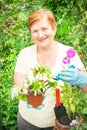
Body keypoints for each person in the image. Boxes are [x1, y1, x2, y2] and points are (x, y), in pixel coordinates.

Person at [13, 9, 87, 130]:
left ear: (54, 28)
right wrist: (30, 92)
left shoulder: (69, 53)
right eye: (35, 31)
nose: (40, 35)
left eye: (44, 28)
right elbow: (17, 85)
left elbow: (86, 89)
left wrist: (83, 80)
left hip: (58, 124)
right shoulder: (25, 54)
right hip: (27, 122)